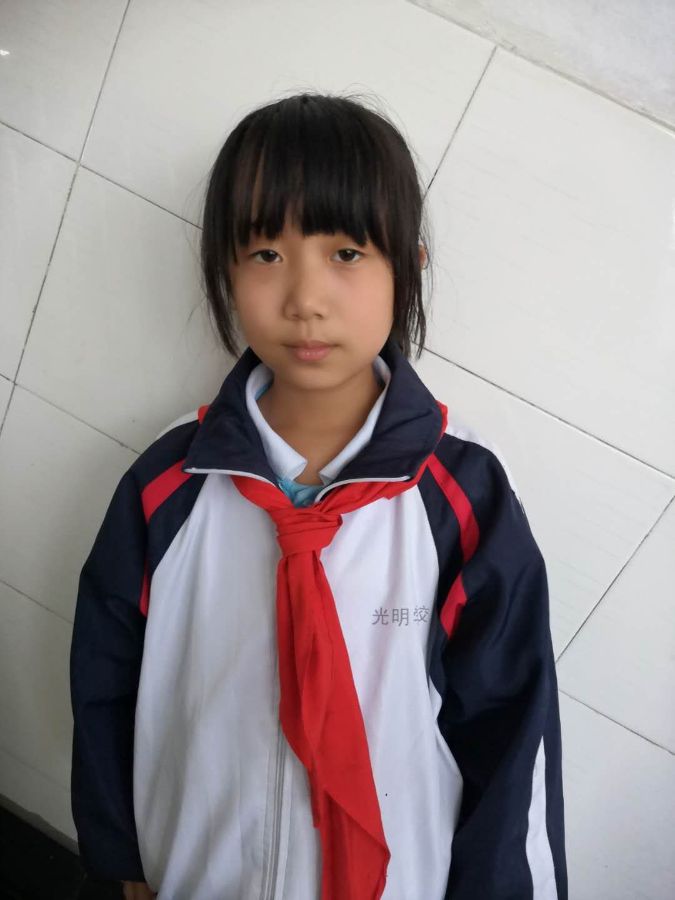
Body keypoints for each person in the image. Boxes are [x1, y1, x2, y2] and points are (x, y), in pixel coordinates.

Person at [70, 91, 568, 900]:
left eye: (345, 252)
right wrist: (117, 858)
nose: (305, 298)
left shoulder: (465, 497)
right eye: (265, 253)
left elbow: (510, 734)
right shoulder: (170, 480)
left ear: (408, 265)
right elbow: (104, 678)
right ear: (224, 268)